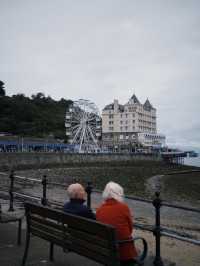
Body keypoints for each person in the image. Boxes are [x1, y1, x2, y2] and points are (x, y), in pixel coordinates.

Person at [96, 182, 138, 266]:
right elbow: (130, 229)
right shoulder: (123, 207)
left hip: (106, 249)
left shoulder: (99, 210)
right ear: (119, 193)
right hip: (123, 251)